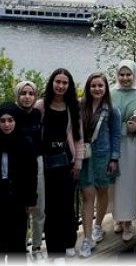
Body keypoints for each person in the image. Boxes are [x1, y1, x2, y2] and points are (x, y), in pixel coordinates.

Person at [35, 68, 82, 258]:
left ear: (69, 86)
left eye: (65, 83)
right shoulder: (41, 105)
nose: (61, 86)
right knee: (50, 207)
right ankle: (54, 249)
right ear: (52, 83)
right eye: (58, 82)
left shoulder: (72, 106)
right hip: (45, 164)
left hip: (66, 164)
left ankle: (69, 242)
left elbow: (78, 136)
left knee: (66, 206)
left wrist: (78, 162)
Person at [0, 102, 38, 257]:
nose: (6, 125)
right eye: (2, 121)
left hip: (18, 199)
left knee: (17, 245)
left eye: (10, 120)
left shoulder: (25, 142)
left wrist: (30, 199)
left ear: (16, 121)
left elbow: (31, 172)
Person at [77, 72, 122, 259]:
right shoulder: (80, 106)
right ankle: (87, 239)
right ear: (88, 87)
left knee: (102, 191)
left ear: (105, 88)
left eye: (100, 86)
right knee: (87, 196)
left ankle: (98, 226)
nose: (97, 89)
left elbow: (116, 135)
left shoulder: (112, 110)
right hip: (85, 157)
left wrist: (114, 158)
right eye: (93, 86)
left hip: (103, 157)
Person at [110, 60, 136, 243]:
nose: (125, 78)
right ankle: (118, 217)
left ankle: (128, 223)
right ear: (117, 75)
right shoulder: (111, 93)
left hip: (132, 146)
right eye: (122, 74)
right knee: (115, 183)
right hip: (114, 144)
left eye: (128, 74)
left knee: (129, 184)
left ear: (134, 75)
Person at [13, 80, 46, 259]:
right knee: (21, 211)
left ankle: (37, 247)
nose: (27, 97)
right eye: (23, 93)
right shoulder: (11, 114)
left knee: (39, 207)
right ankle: (22, 247)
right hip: (18, 165)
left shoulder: (37, 114)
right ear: (17, 95)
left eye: (31, 93)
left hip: (37, 162)